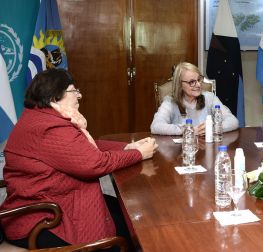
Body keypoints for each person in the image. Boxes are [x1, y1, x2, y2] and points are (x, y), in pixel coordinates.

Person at [0, 68, 158, 250]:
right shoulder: (49, 128)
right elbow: (94, 163)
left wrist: (128, 147)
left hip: (57, 200)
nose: (80, 95)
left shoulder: (42, 117)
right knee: (129, 226)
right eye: (74, 90)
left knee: (129, 210)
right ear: (54, 97)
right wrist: (139, 154)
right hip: (43, 218)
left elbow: (80, 148)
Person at [151, 62, 239, 135]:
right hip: (181, 151)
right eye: (192, 82)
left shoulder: (209, 98)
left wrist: (213, 128)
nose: (198, 85)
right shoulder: (170, 102)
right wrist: (188, 130)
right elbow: (156, 126)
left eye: (199, 79)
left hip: (207, 150)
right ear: (180, 84)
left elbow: (233, 121)